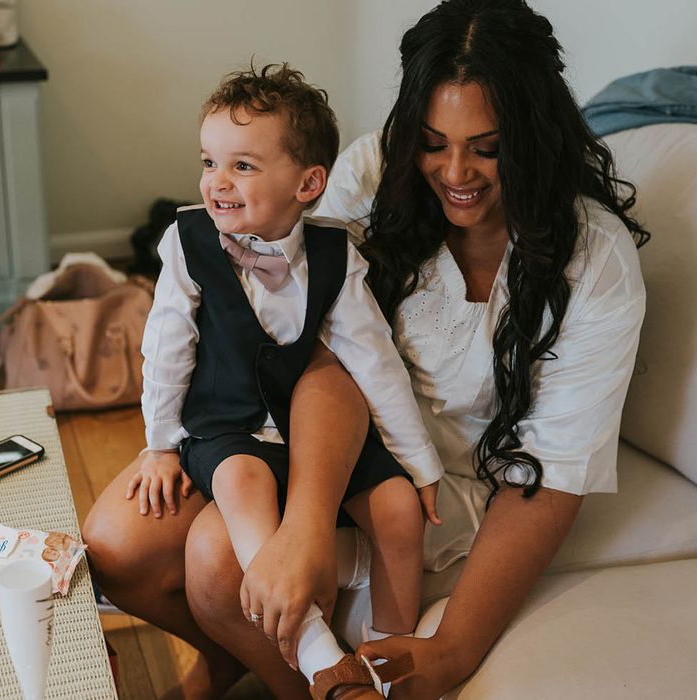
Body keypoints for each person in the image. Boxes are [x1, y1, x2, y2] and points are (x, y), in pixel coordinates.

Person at [83, 1, 648, 698]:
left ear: (533, 136)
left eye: (488, 146)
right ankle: (233, 656)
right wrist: (308, 520)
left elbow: (551, 479)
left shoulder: (595, 262)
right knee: (117, 540)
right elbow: (323, 359)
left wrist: (453, 647)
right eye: (433, 142)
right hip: (325, 435)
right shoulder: (378, 174)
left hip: (446, 489)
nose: (456, 171)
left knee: (213, 553)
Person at [114, 64, 444, 698]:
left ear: (308, 183)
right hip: (227, 428)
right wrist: (159, 444)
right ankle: (321, 653)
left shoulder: (334, 256)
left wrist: (418, 462)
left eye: (243, 166)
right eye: (210, 162)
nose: (217, 183)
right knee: (243, 479)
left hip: (310, 431)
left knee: (401, 509)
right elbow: (166, 349)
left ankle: (387, 663)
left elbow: (375, 360)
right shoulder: (187, 242)